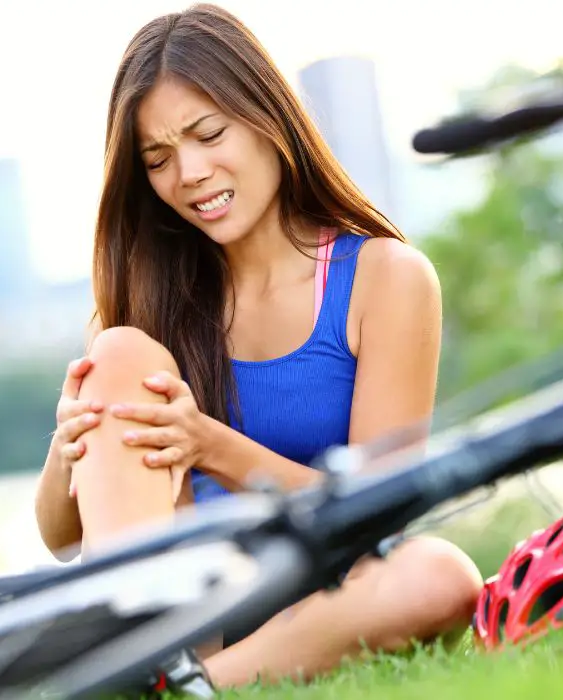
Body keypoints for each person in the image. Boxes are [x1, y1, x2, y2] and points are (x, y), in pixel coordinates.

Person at [32, 2, 483, 690]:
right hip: (185, 602)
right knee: (119, 353)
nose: (188, 173)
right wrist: (67, 454)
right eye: (158, 158)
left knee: (439, 575)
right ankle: (163, 664)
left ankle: (193, 685)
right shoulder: (148, 305)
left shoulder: (382, 278)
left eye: (208, 134)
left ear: (268, 117)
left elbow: (380, 510)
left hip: (323, 594)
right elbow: (64, 537)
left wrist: (209, 444)